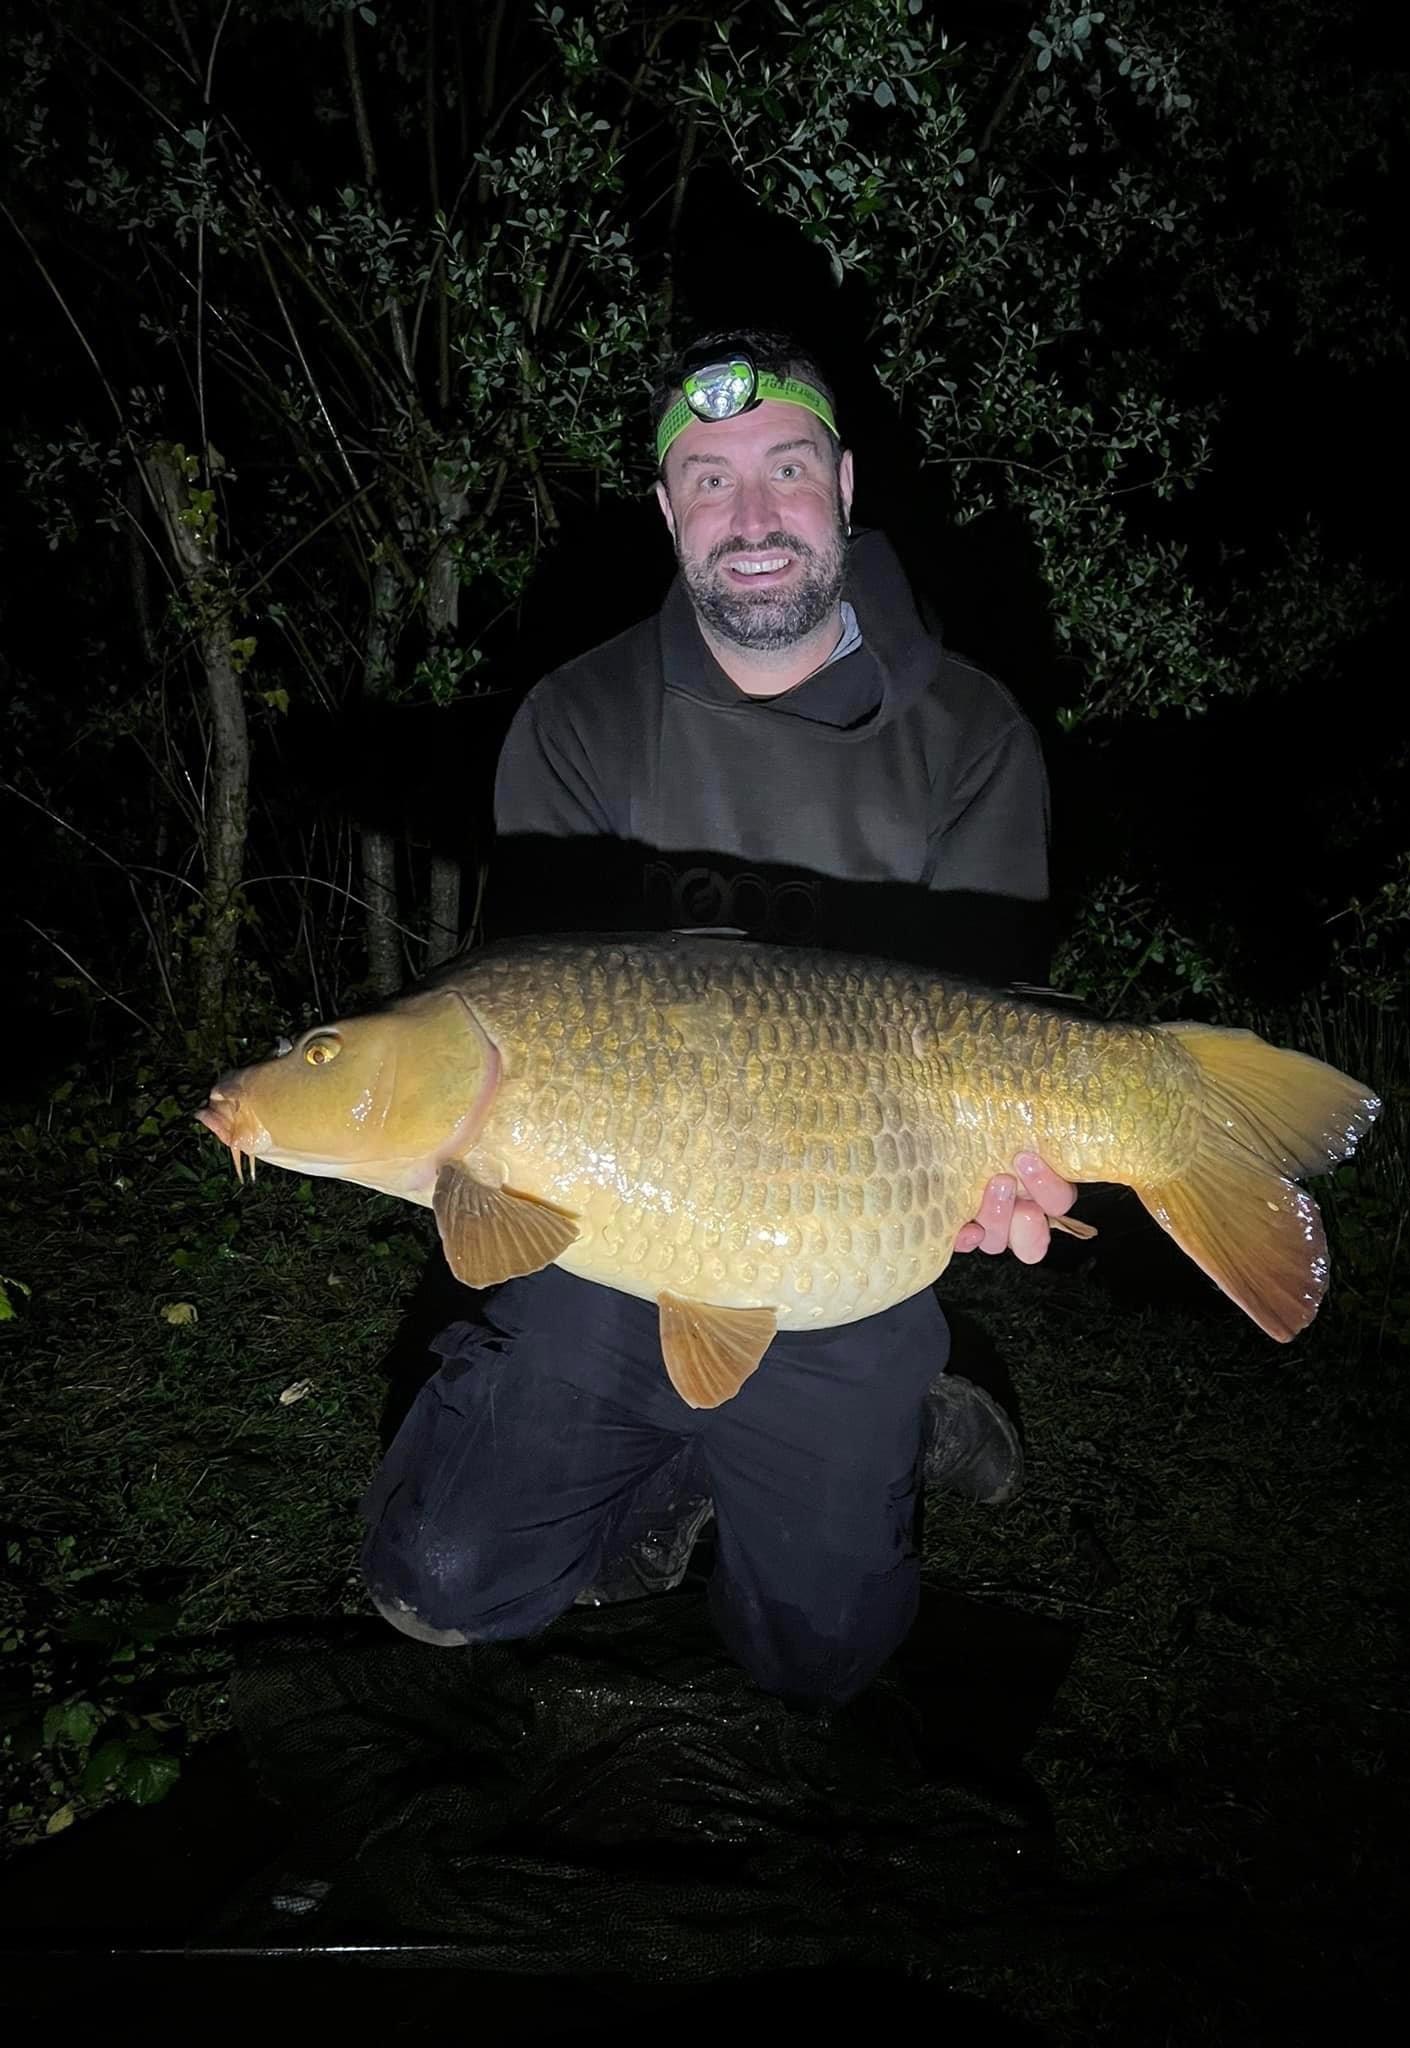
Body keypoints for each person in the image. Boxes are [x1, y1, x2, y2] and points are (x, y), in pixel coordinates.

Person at [359, 331, 1078, 1707]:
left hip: (839, 1238)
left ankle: (904, 1391)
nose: (750, 521)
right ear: (668, 512)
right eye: (708, 481)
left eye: (785, 471)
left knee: (820, 1665)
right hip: (613, 1236)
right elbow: (535, 1018)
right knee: (440, 1584)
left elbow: (998, 1033)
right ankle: (703, 1447)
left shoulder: (973, 738)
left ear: (846, 485)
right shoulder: (579, 717)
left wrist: (1013, 1165)